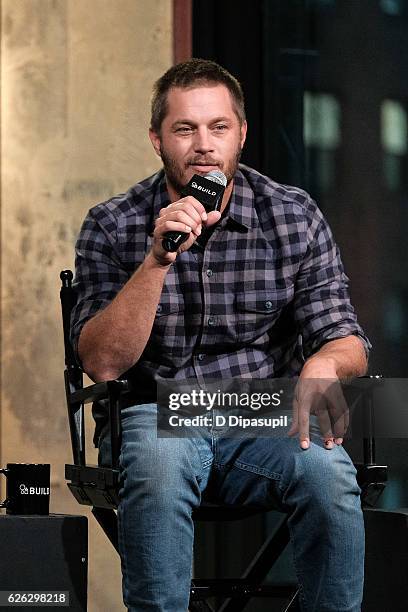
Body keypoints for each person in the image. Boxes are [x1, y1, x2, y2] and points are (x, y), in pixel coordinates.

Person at [71, 58, 370, 612]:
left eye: (218, 127)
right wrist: (157, 261)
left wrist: (323, 365)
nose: (204, 145)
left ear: (242, 135)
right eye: (185, 129)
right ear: (158, 140)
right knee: (160, 468)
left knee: (328, 476)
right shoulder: (112, 223)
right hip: (159, 413)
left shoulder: (292, 215)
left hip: (257, 413)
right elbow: (103, 364)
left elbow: (344, 335)